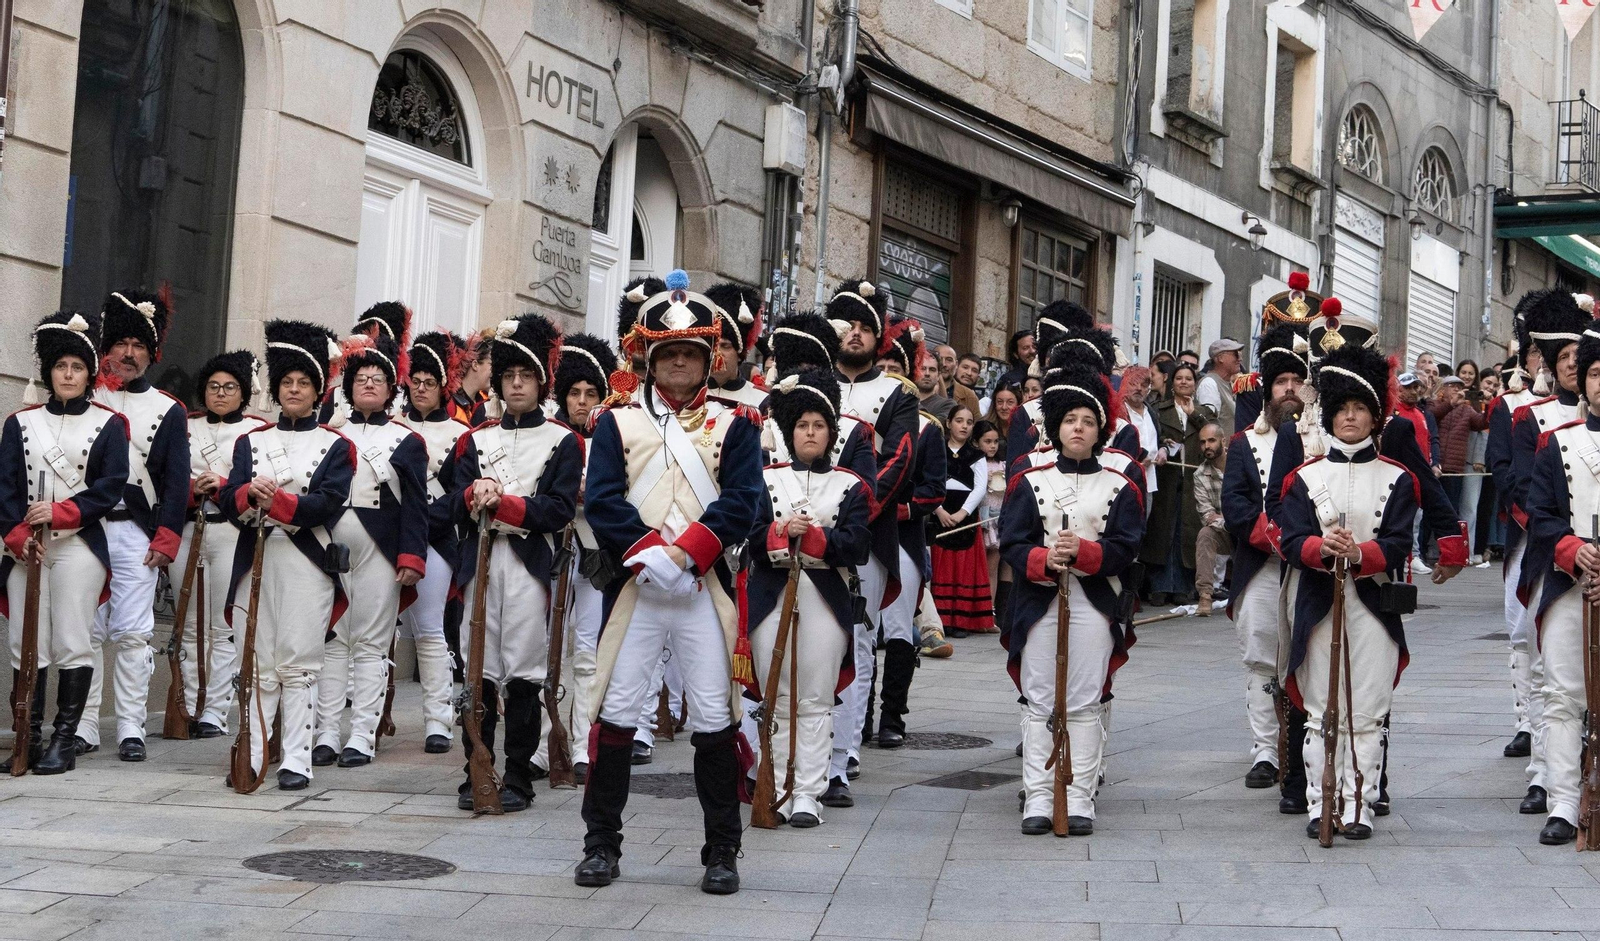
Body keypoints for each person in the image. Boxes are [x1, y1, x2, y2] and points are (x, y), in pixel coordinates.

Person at [578, 271, 764, 895]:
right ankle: (601, 844)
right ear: (650, 360)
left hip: (699, 590)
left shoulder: (735, 425)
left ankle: (722, 851)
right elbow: (601, 499)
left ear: (709, 360)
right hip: (636, 588)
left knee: (715, 715)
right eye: (669, 354)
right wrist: (646, 553)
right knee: (617, 713)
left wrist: (685, 556)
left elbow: (744, 501)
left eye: (690, 353)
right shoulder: (616, 422)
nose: (680, 363)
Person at [1277, 342, 1418, 840]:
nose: (1351, 417)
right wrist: (1321, 547)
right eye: (1342, 409)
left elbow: (1400, 540)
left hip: (1375, 604)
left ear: (1375, 415)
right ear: (1330, 416)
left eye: (1360, 408)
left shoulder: (1399, 479)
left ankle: (1360, 802)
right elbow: (1291, 539)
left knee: (1368, 709)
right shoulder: (1303, 477)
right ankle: (1322, 802)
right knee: (1320, 710)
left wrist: (1361, 554)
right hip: (1318, 602)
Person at [1001, 358, 1145, 835]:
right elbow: (1013, 540)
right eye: (1070, 420)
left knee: (1083, 701)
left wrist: (1086, 553)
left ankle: (1079, 796)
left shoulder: (1120, 481)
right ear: (1056, 427)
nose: (1078, 428)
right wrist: (1043, 561)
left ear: (1100, 428)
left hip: (1095, 601)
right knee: (1040, 699)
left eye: (1087, 421)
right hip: (1041, 600)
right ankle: (1039, 796)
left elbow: (1127, 545)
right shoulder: (1029, 476)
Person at [450, 313, 580, 811]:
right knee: (477, 667)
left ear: (541, 382)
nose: (518, 383)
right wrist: (471, 494)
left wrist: (502, 502)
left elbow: (558, 508)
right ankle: (475, 767)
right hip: (480, 561)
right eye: (509, 376)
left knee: (524, 672)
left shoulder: (562, 441)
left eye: (526, 375)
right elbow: (449, 502)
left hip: (528, 563)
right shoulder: (476, 438)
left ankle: (520, 776)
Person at [218, 319, 354, 790]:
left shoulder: (337, 446)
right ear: (275, 390)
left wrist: (274, 501)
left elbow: (328, 502)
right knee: (255, 661)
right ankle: (254, 754)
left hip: (305, 562)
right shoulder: (249, 442)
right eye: (287, 383)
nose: (294, 390)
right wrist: (245, 495)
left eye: (303, 383)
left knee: (298, 662)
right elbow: (227, 499)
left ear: (318, 392)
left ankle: (297, 757)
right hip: (256, 556)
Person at [1, 311, 130, 774]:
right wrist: (17, 535)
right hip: (28, 550)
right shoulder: (20, 423)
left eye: (77, 368)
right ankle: (28, 738)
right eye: (61, 367)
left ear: (89, 374)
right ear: (49, 372)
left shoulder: (110, 425)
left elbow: (110, 485)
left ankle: (64, 740)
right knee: (24, 642)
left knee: (73, 641)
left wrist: (60, 513)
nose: (68, 375)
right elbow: (6, 488)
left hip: (78, 545)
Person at [746, 368, 872, 827]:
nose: (811, 433)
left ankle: (808, 792)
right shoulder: (766, 479)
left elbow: (857, 545)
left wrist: (816, 539)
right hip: (772, 596)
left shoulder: (851, 485)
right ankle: (777, 784)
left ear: (831, 434)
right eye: (803, 425)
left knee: (816, 698)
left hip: (825, 597)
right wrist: (781, 534)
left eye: (819, 426)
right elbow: (749, 539)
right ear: (790, 431)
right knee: (776, 697)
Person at [313, 324, 429, 770]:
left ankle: (362, 733)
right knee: (330, 643)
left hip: (380, 552)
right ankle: (325, 732)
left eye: (377, 379)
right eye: (360, 378)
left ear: (390, 391)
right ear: (347, 387)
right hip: (326, 552)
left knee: (372, 645)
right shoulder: (326, 435)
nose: (367, 383)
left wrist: (412, 556)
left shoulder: (407, 440)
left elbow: (417, 506)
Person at [822, 279, 919, 808]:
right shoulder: (812, 381)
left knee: (858, 641)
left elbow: (899, 458)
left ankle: (844, 749)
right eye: (847, 325)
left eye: (865, 326)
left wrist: (853, 511)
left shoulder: (898, 393)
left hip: (866, 532)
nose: (855, 335)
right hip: (807, 526)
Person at [82, 289, 189, 762]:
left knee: (133, 633)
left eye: (138, 345)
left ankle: (129, 727)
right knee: (81, 631)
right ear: (105, 348)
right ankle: (83, 724)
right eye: (120, 343)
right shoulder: (85, 395)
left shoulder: (169, 410)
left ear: (151, 353)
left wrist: (166, 538)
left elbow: (176, 482)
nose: (128, 353)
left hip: (134, 533)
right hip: (83, 530)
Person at [1504, 290, 1592, 818]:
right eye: (1563, 361)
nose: (1570, 369)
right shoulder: (1528, 418)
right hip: (1543, 553)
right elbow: (1519, 486)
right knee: (1544, 666)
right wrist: (1556, 542)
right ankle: (1544, 774)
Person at [522, 331, 618, 785]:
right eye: (575, 393)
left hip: (596, 552)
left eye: (591, 393)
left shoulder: (614, 438)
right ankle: (545, 743)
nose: (582, 402)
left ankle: (582, 741)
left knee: (587, 651)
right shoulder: (551, 439)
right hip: (552, 550)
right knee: (549, 647)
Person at [1221, 321, 1308, 793]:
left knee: (1302, 656)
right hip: (1261, 563)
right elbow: (1234, 504)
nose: (1290, 390)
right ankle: (1266, 751)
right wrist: (1274, 536)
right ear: (1268, 391)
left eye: (1297, 381)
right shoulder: (1243, 445)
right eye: (1281, 382)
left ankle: (1299, 746)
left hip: (1308, 566)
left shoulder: (1319, 439)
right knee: (1259, 657)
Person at [1524, 312, 1600, 845]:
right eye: (1595, 374)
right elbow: (1541, 514)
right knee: (1562, 695)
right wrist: (1575, 552)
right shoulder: (1556, 442)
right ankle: (1565, 801)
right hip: (1571, 584)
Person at [175, 351, 266, 738]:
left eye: (229, 387)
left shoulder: (257, 430)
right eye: (214, 386)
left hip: (231, 528)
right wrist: (191, 491)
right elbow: (165, 476)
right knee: (190, 624)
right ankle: (189, 705)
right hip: (188, 528)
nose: (221, 393)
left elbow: (259, 484)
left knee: (223, 623)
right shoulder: (185, 426)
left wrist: (226, 487)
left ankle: (215, 710)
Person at [398, 330, 472, 754]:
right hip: (388, 540)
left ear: (443, 387)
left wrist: (422, 522)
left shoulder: (460, 434)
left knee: (429, 630)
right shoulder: (393, 427)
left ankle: (438, 720)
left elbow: (458, 496)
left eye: (430, 382)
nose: (421, 389)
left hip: (435, 538)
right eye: (416, 381)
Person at [1143, 362, 1212, 605]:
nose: (1184, 382)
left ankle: (1184, 587)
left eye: (1189, 379)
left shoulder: (1203, 410)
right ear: (1171, 382)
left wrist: (1194, 414)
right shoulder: (1159, 409)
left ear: (1195, 383)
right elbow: (1155, 435)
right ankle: (1160, 586)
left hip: (1194, 480)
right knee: (1163, 532)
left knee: (1187, 532)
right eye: (1179, 378)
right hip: (1166, 479)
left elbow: (1213, 436)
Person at [931, 403, 992, 636]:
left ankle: (962, 621)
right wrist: (939, 510)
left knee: (964, 568)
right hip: (941, 514)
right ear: (948, 423)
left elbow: (980, 488)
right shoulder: (937, 451)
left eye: (969, 422)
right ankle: (941, 619)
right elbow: (929, 480)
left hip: (964, 516)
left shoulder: (977, 456)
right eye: (959, 421)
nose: (964, 426)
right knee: (942, 567)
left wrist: (962, 513)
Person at [1431, 376, 1489, 520]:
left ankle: (1447, 543)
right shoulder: (1433, 404)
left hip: (1454, 470)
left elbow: (1482, 423)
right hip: (1433, 465)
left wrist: (1488, 406)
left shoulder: (1467, 409)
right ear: (1443, 388)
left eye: (1460, 386)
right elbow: (1431, 416)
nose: (1457, 389)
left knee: (1450, 512)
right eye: (1452, 385)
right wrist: (1450, 404)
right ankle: (1426, 543)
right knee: (1428, 512)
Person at [704, 282, 767, 409]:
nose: (717, 353)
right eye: (712, 345)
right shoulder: (687, 396)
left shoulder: (761, 400)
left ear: (740, 353)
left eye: (725, 346)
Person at [1191, 421, 1230, 616]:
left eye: (1212, 440)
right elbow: (1206, 514)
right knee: (1205, 534)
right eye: (1203, 442)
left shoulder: (1240, 463)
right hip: (1225, 531)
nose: (1207, 446)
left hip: (1247, 527)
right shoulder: (1200, 475)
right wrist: (1229, 519)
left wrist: (1225, 516)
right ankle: (1206, 595)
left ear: (1223, 441)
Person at [1120, 365, 1160, 508]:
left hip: (1148, 481)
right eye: (1133, 384)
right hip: (1125, 481)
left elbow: (1158, 442)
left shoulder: (1152, 412)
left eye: (1144, 385)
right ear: (1124, 384)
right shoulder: (1119, 412)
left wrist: (1163, 450)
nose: (1139, 389)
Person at [1196, 337, 1243, 434]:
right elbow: (1208, 424)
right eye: (1235, 354)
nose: (1239, 359)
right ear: (1220, 358)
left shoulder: (1227, 384)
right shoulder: (1209, 384)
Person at [449, 332, 493, 424]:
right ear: (475, 365)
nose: (495, 371)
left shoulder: (487, 403)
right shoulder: (449, 403)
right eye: (491, 364)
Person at [915, 354, 955, 419]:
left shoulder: (947, 405)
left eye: (932, 370)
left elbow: (934, 427)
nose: (927, 373)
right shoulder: (902, 400)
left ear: (938, 375)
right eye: (922, 369)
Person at [952, 352, 983, 417]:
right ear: (956, 367)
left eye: (974, 370)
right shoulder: (944, 391)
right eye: (965, 367)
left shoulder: (982, 401)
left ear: (978, 377)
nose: (969, 373)